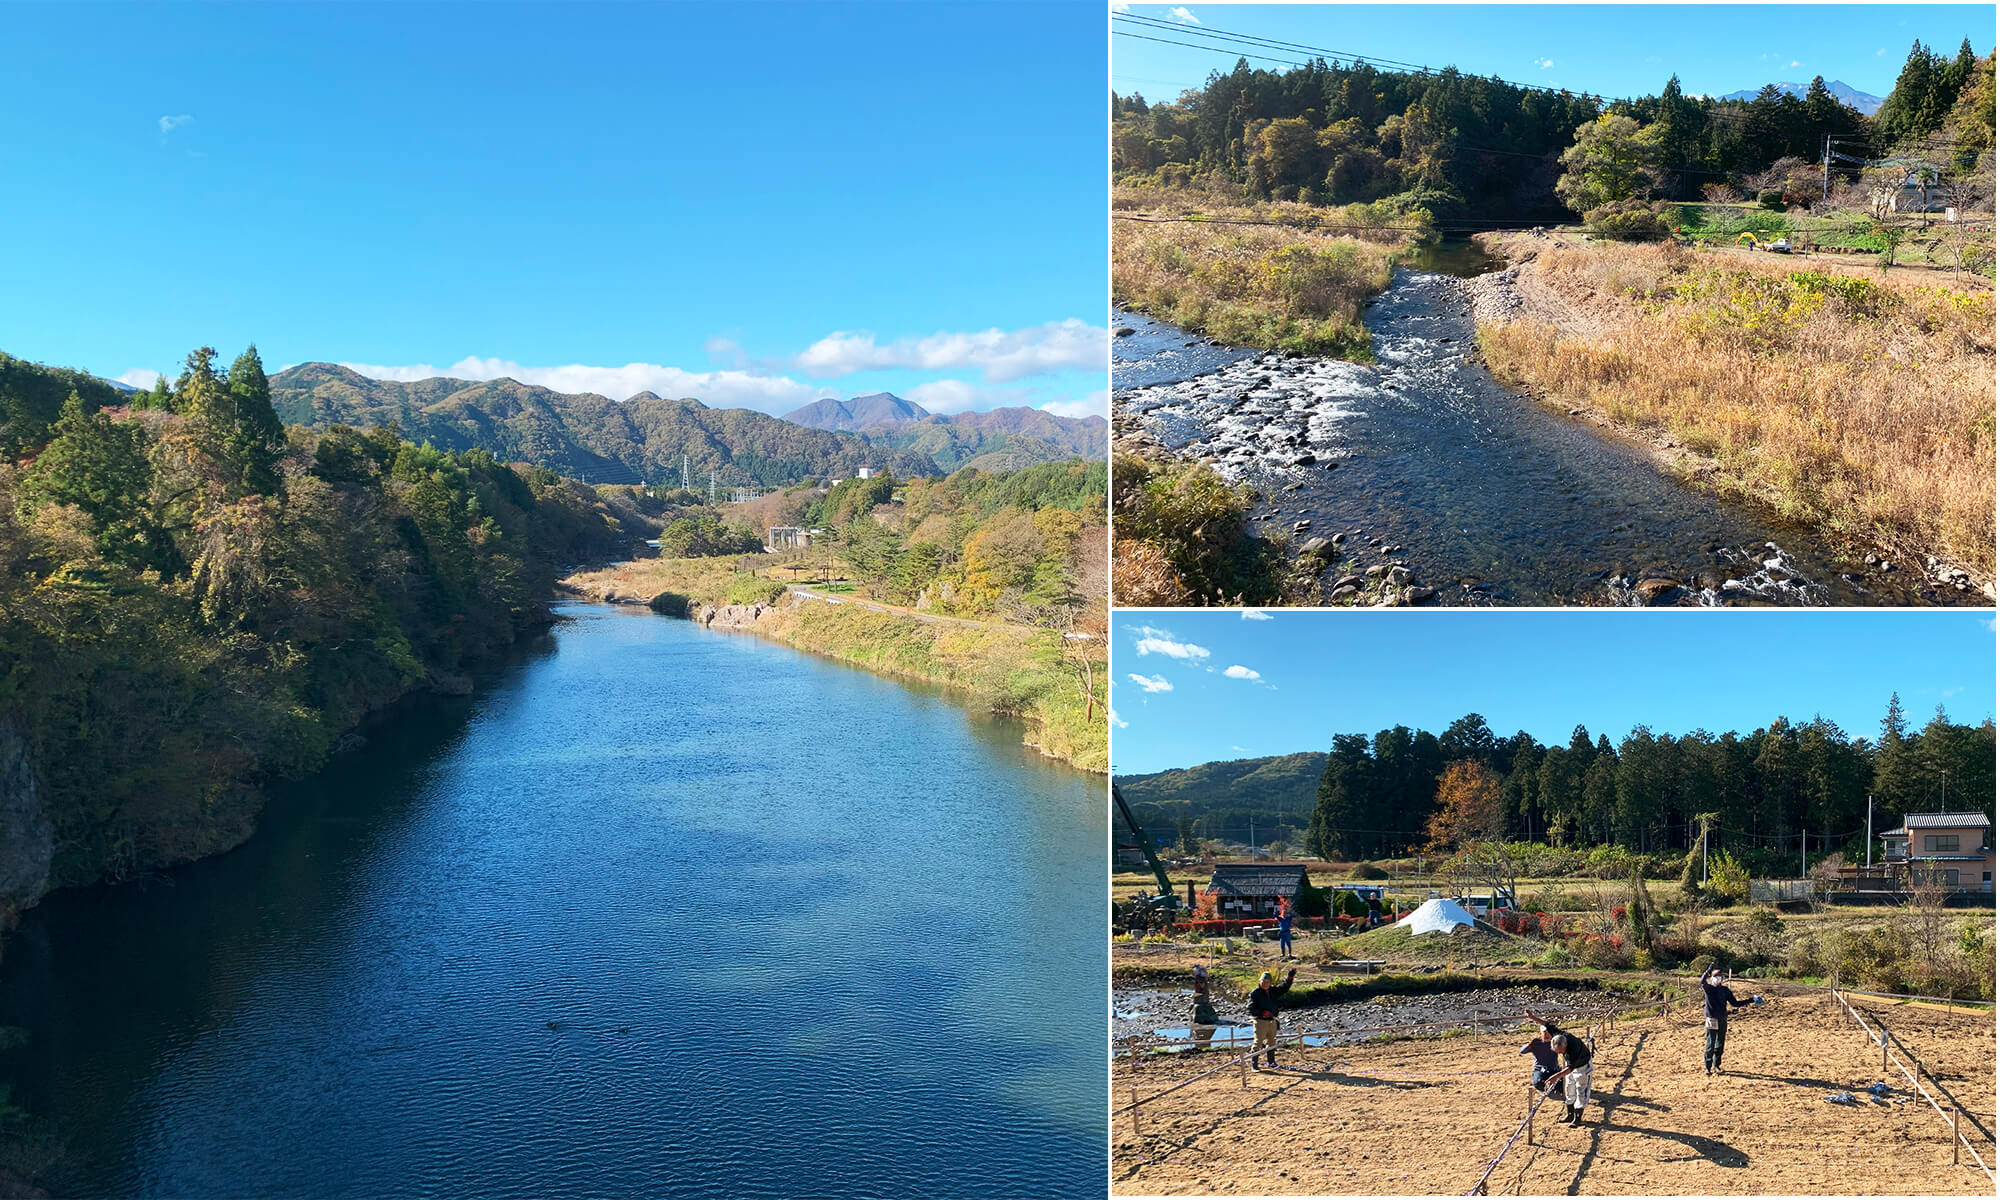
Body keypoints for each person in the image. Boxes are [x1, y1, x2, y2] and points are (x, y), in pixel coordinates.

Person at [1699, 967, 1759, 1075]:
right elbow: (1702, 982)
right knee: (1710, 1044)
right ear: (1711, 978)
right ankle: (1707, 1067)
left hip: (1722, 1019)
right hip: (1711, 1019)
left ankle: (1717, 1065)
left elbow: (1735, 1003)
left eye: (1720, 977)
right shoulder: (1709, 989)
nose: (1718, 979)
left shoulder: (1725, 990)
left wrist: (1750, 1000)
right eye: (1715, 977)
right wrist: (1707, 971)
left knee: (1720, 1044)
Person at [1248, 966, 1296, 1069]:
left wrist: (1289, 978)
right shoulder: (1255, 993)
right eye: (1264, 981)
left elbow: (1284, 988)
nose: (1266, 983)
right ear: (1260, 982)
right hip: (1260, 1021)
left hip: (1272, 1020)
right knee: (1258, 1042)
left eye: (1268, 981)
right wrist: (1262, 1013)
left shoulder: (1273, 991)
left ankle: (1271, 1062)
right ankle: (1254, 1065)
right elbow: (1251, 1008)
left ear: (1270, 982)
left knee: (1271, 1042)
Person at [1544, 1031, 1594, 1125]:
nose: (1561, 1053)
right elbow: (1547, 1025)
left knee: (1581, 1091)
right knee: (1569, 1088)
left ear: (1566, 1044)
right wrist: (1531, 1016)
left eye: (1561, 1051)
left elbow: (1570, 1069)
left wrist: (1555, 1077)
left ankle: (1577, 1119)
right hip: (1570, 1067)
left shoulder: (1574, 1050)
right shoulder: (1560, 1035)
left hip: (1582, 1068)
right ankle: (1570, 1115)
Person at [1518, 1022, 1561, 1093]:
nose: (1547, 1035)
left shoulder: (1555, 1042)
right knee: (1538, 1082)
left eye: (1549, 1032)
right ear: (1540, 1034)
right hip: (1540, 1070)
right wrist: (1530, 1044)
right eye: (1544, 1032)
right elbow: (1522, 1051)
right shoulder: (1536, 1044)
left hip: (1554, 1070)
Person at [1275, 895, 1294, 960]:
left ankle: (1289, 953)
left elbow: (1292, 915)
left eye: (1285, 914)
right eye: (1284, 914)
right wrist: (1276, 912)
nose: (1285, 915)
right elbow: (1275, 916)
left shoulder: (1288, 919)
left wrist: (1288, 911)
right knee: (1282, 944)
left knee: (1288, 943)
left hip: (1287, 932)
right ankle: (1283, 953)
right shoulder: (1281, 919)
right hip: (1282, 933)